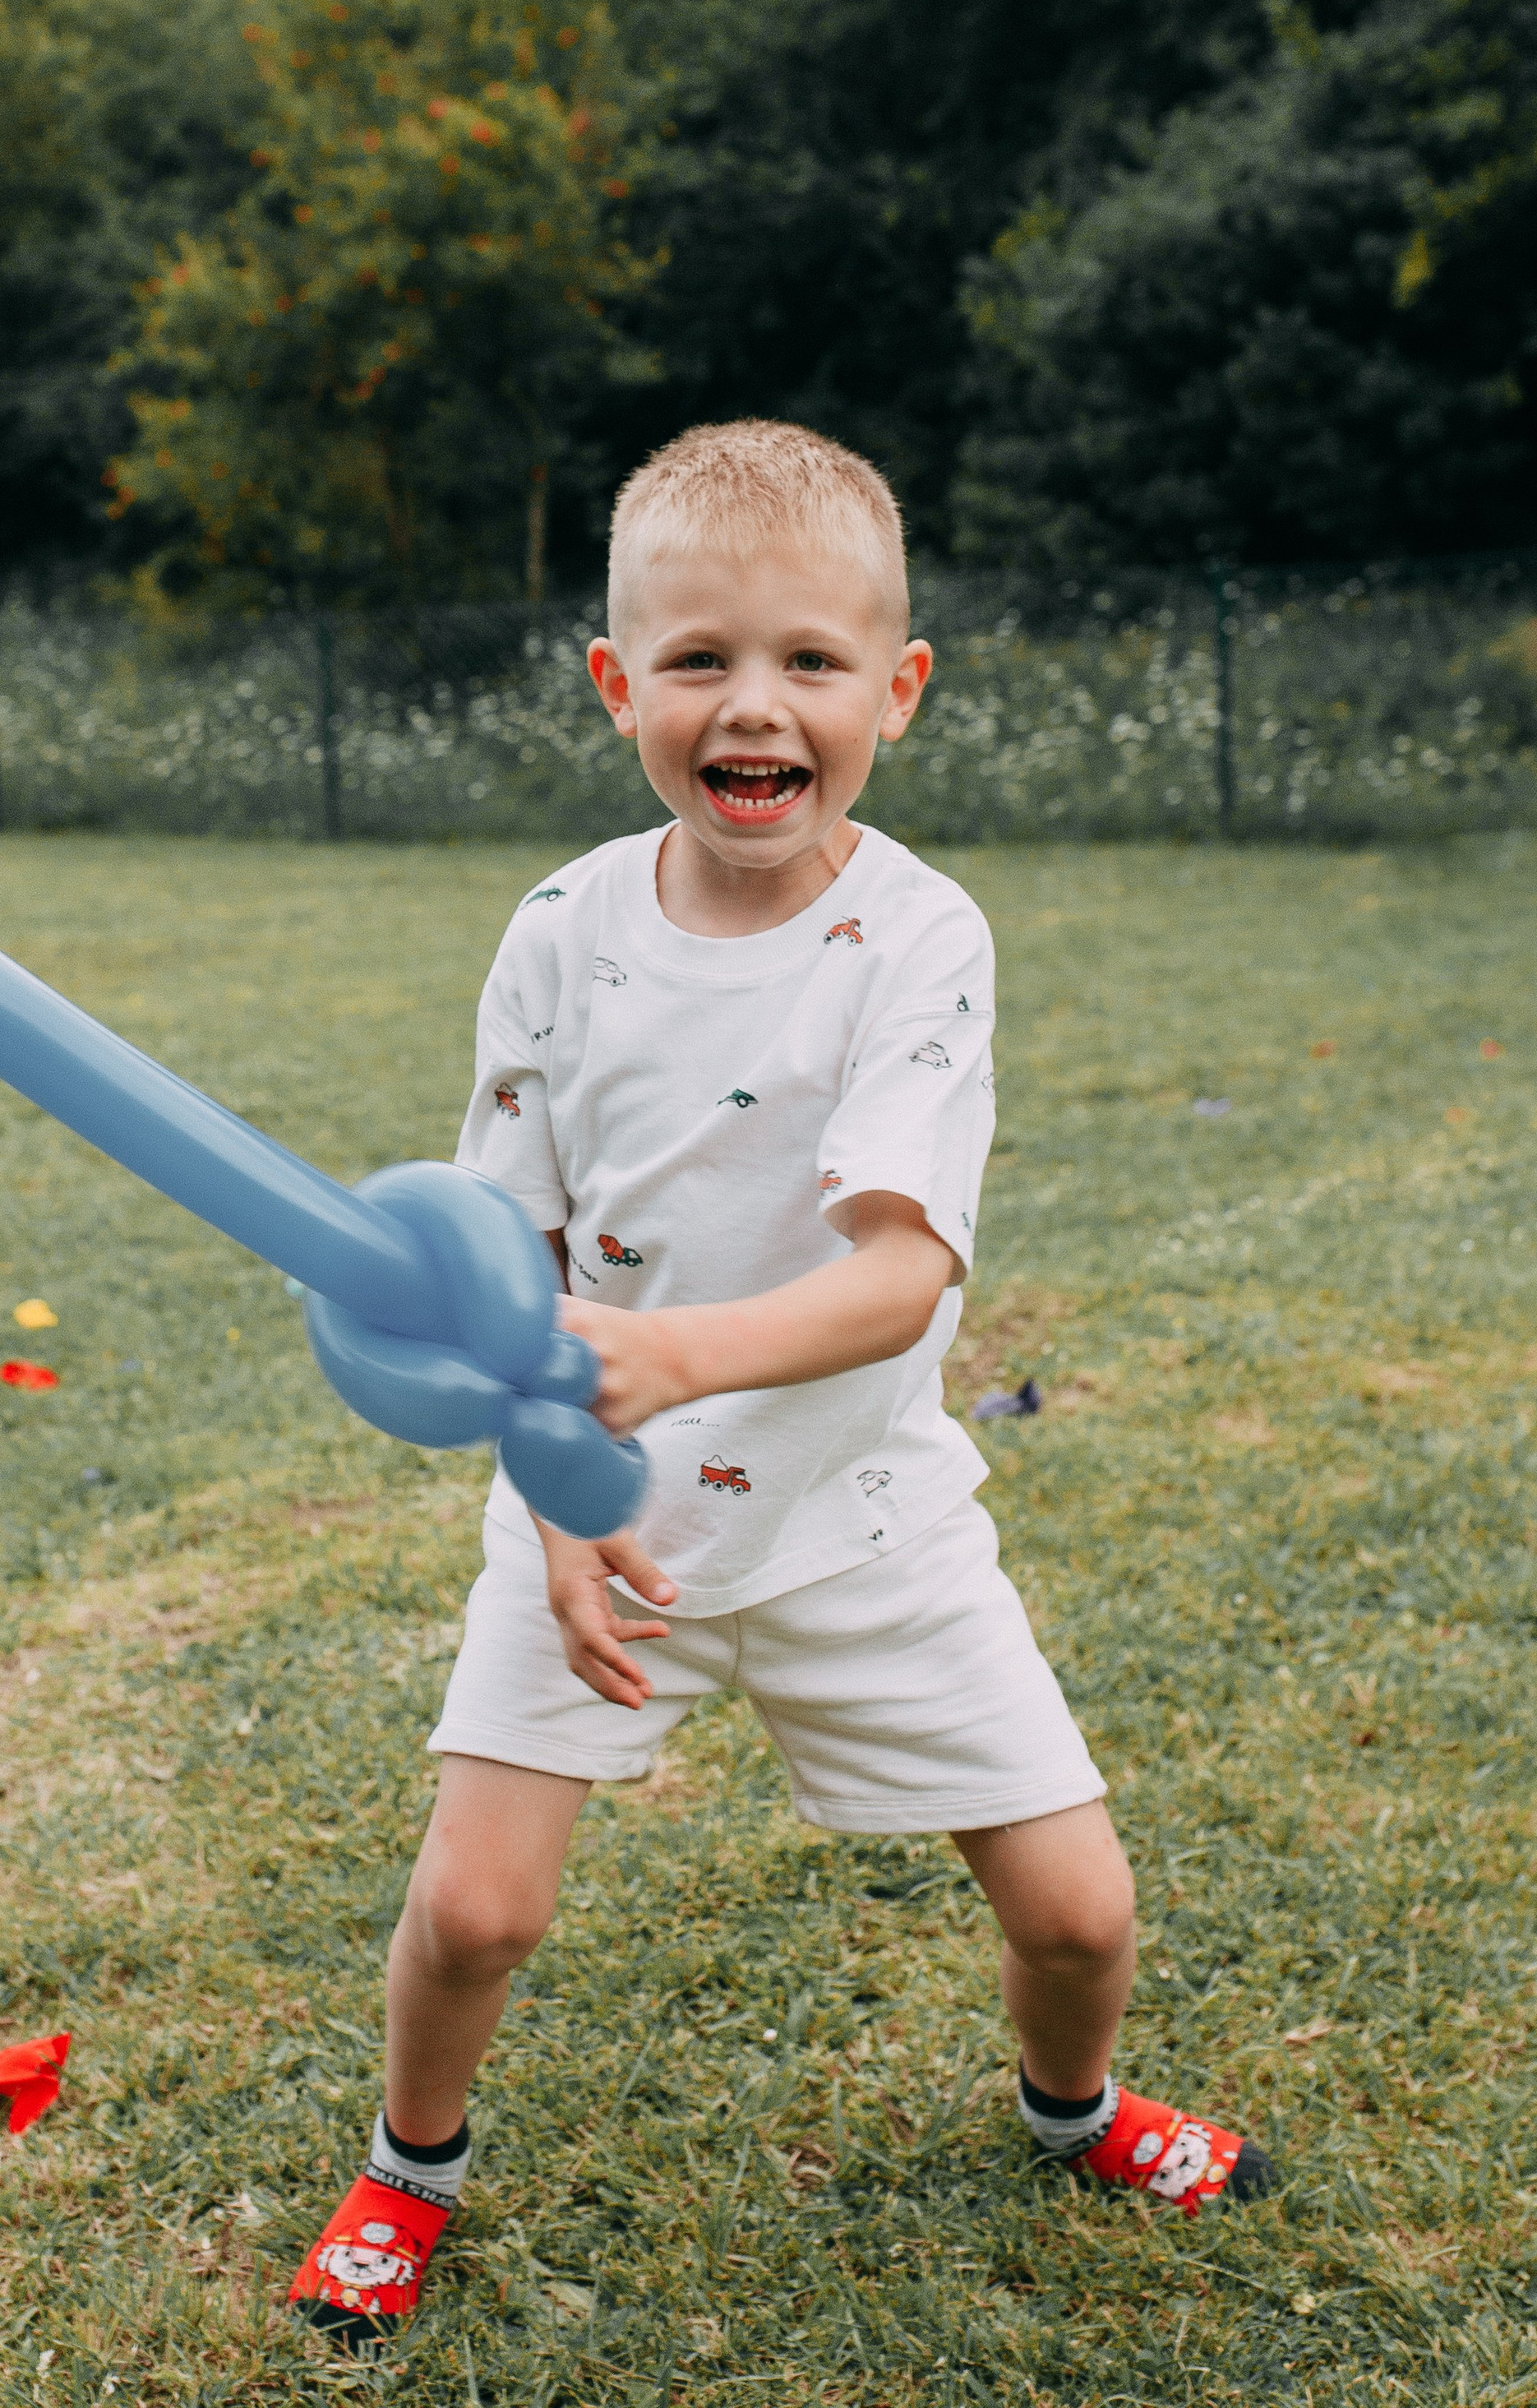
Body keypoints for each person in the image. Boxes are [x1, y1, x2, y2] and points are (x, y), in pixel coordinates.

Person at [288, 420, 1273, 2341]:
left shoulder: (913, 937)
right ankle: (409, 2168)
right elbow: (506, 1264)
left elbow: (898, 1278)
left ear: (895, 691)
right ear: (615, 686)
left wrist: (666, 1355)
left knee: (1078, 1915)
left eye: (810, 659)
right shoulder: (558, 934)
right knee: (473, 1915)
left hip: (861, 1518)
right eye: (698, 659)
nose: (754, 705)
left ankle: (1070, 2112)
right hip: (602, 1510)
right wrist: (556, 1502)